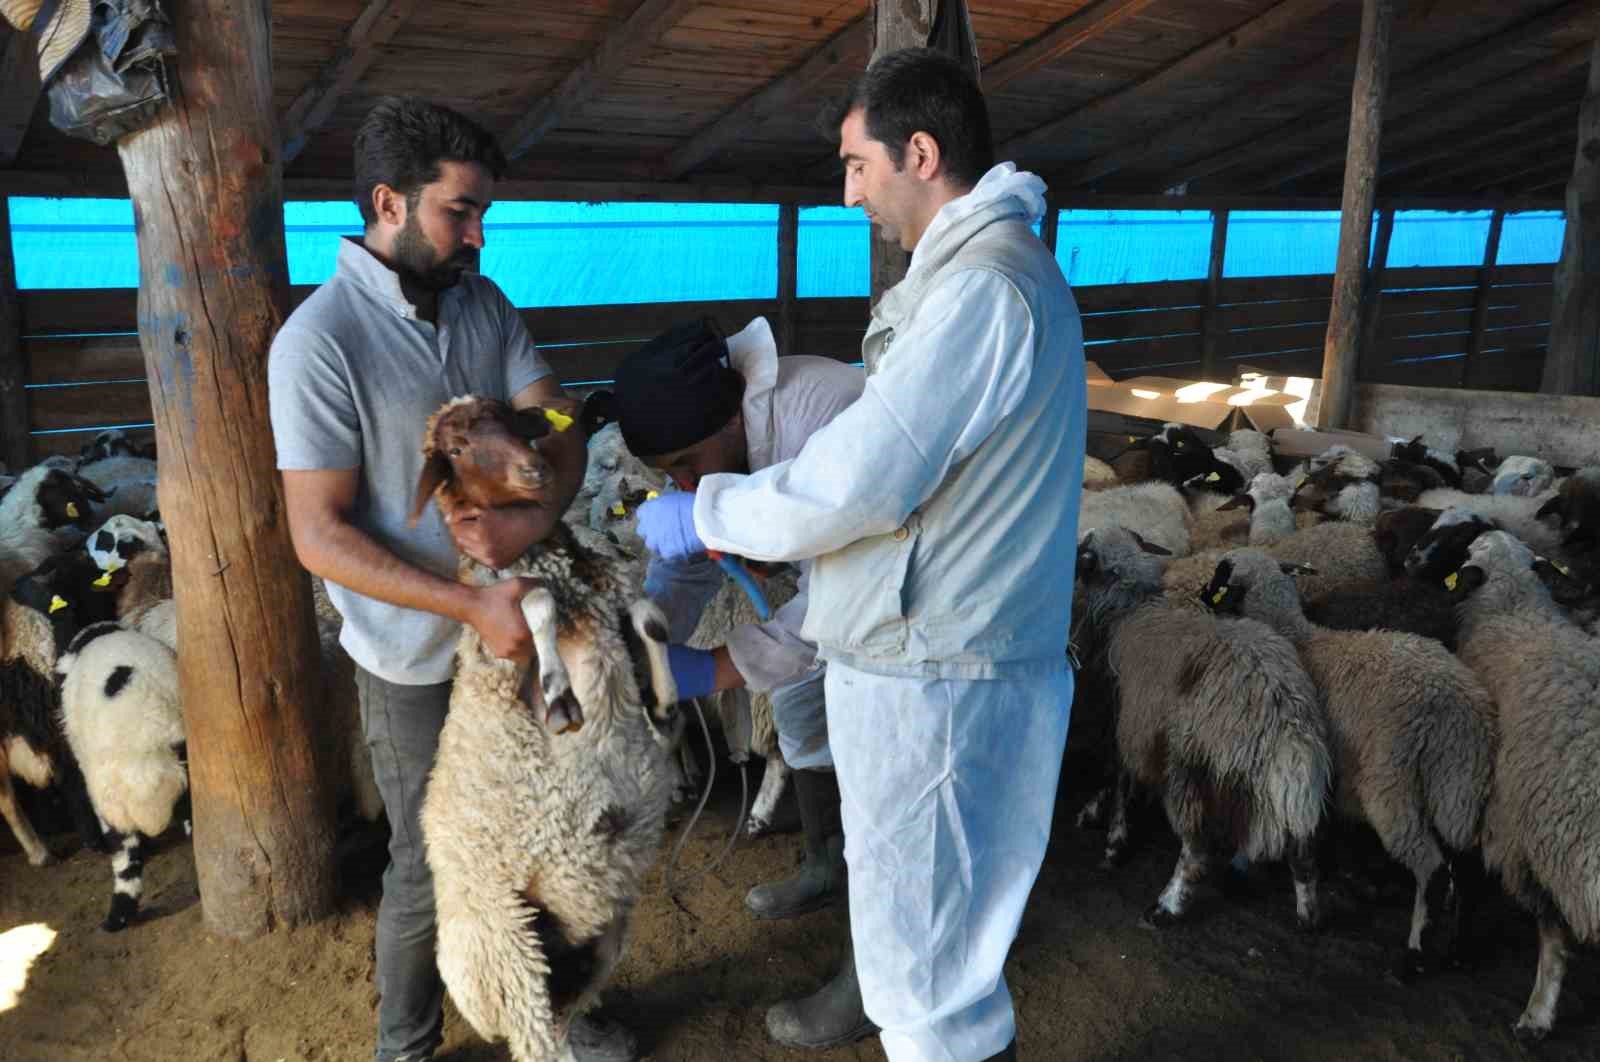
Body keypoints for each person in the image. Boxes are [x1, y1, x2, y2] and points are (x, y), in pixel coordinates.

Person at [635, 48, 1086, 1062]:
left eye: (855, 164)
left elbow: (859, 481)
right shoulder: (972, 283)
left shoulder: (983, 294)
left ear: (918, 153)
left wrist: (707, 512)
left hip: (943, 678)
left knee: (927, 991)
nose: (848, 192)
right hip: (934, 664)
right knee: (928, 965)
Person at [267, 97, 632, 1062]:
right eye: (457, 213)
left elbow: (556, 418)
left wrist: (532, 517)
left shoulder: (483, 302)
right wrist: (469, 599)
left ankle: (550, 1014)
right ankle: (407, 1047)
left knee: (555, 834)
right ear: (389, 202)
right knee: (434, 864)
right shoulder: (318, 343)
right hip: (419, 653)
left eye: (482, 215)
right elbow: (315, 533)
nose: (477, 235)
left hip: (528, 628)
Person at [599, 313, 868, 1032]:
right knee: (804, 720)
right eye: (670, 476)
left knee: (884, 789)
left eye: (689, 463)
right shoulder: (723, 447)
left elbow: (843, 599)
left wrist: (717, 667)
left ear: (726, 418)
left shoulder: (824, 414)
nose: (686, 483)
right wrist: (649, 638)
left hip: (900, 618)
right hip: (833, 604)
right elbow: (691, 556)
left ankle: (867, 983)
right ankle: (823, 862)